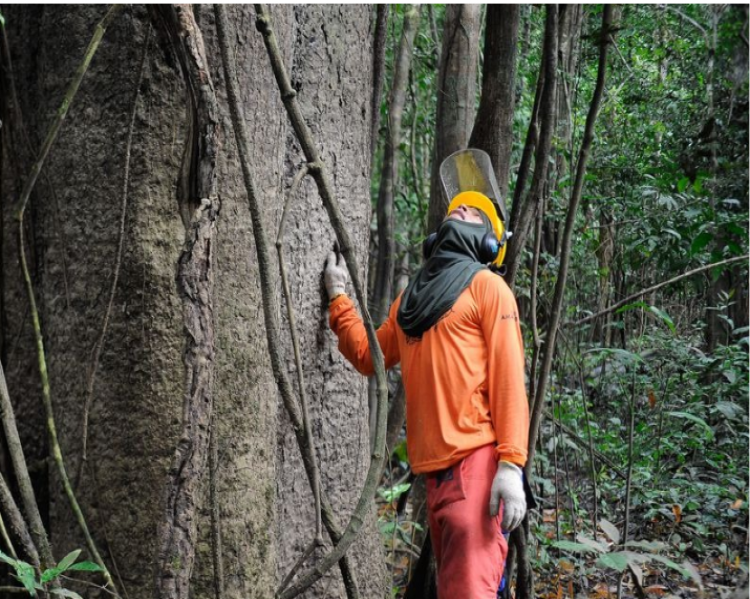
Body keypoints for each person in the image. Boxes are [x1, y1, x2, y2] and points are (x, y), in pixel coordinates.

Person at [324, 153, 529, 598]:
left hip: (476, 468)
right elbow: (367, 354)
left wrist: (511, 466)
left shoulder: (489, 288)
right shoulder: (410, 302)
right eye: (458, 206)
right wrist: (338, 297)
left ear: (491, 243)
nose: (462, 209)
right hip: (434, 479)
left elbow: (511, 379)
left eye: (476, 211)